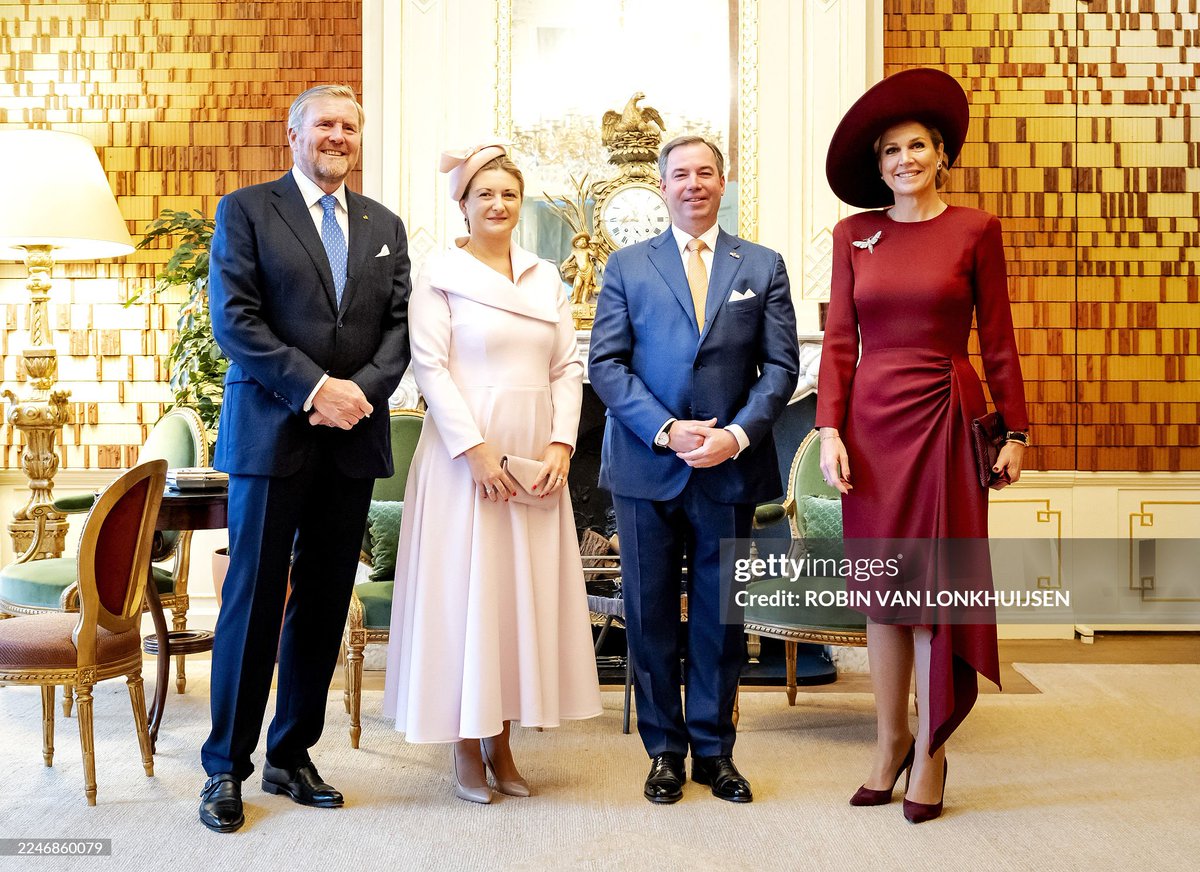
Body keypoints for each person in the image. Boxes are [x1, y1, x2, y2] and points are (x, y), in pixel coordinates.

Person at [817, 68, 1029, 823]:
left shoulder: (976, 230)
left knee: (936, 591)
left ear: (941, 153)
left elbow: (998, 339)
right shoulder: (853, 234)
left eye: (916, 146)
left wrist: (1017, 428)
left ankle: (933, 751)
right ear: (877, 168)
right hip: (872, 429)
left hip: (946, 419)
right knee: (883, 594)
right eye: (889, 152)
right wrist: (828, 430)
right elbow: (840, 342)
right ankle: (889, 740)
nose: (903, 159)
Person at [200, 84, 411, 832]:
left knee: (323, 604)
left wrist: (357, 394)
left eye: (351, 125)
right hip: (272, 433)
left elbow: (398, 332)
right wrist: (316, 389)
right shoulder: (247, 210)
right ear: (294, 134)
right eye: (325, 123)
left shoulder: (385, 224)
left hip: (352, 439)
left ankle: (292, 755)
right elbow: (236, 321)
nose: (339, 135)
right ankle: (226, 766)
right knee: (253, 601)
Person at [382, 143, 602, 804]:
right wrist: (474, 451)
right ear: (465, 204)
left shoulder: (544, 276)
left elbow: (566, 367)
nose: (499, 204)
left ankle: (503, 743)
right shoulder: (439, 274)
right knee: (467, 596)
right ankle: (463, 749)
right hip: (464, 460)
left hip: (536, 459)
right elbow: (431, 367)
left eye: (509, 193)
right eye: (485, 194)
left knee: (516, 600)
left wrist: (563, 444)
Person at [589, 136, 799, 804]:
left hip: (729, 469)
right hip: (646, 465)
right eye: (680, 174)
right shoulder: (627, 265)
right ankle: (664, 752)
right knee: (649, 618)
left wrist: (734, 435)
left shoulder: (761, 265)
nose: (693, 184)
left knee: (721, 620)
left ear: (723, 180)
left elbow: (782, 368)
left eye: (705, 172)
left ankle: (715, 750)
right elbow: (606, 364)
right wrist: (667, 429)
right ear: (663, 184)